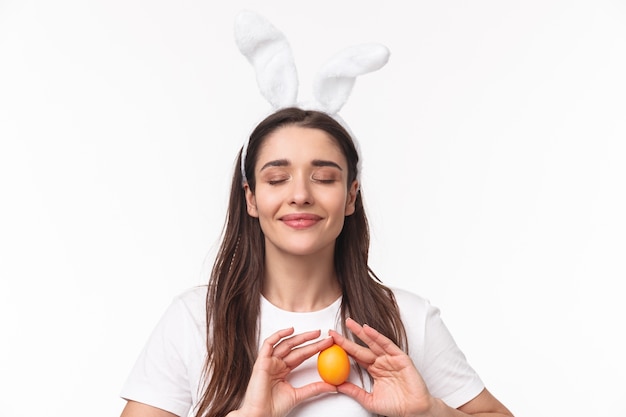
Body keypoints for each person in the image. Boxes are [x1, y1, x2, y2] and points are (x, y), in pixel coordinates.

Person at [119, 107, 514, 417]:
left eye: (324, 178)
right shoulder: (195, 319)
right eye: (277, 180)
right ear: (251, 198)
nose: (300, 195)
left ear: (350, 196)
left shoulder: (407, 318)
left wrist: (429, 412)